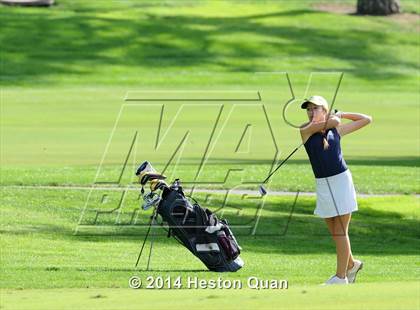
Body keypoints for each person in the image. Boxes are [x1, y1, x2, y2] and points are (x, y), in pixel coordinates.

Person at [299, 96, 372, 285]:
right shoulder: (305, 130)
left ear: (325, 109)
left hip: (341, 182)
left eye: (316, 108)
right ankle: (352, 265)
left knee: (340, 231)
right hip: (323, 185)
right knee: (335, 231)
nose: (312, 112)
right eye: (309, 109)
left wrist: (343, 113)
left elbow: (366, 119)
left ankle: (341, 278)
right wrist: (334, 117)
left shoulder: (335, 131)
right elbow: (332, 121)